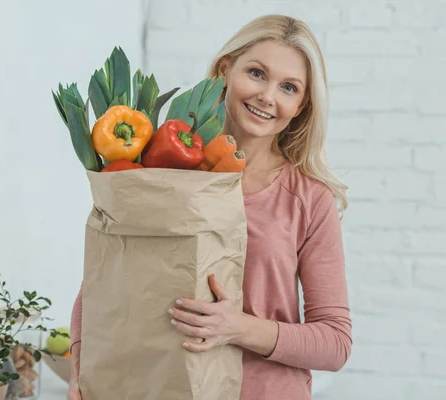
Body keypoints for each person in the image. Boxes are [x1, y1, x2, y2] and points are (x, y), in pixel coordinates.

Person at [67, 14, 352, 400]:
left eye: (288, 87)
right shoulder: (163, 167)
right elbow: (102, 285)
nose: (268, 95)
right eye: (256, 73)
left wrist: (237, 327)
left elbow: (335, 342)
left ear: (301, 106)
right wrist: (81, 374)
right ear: (224, 71)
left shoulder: (308, 199)